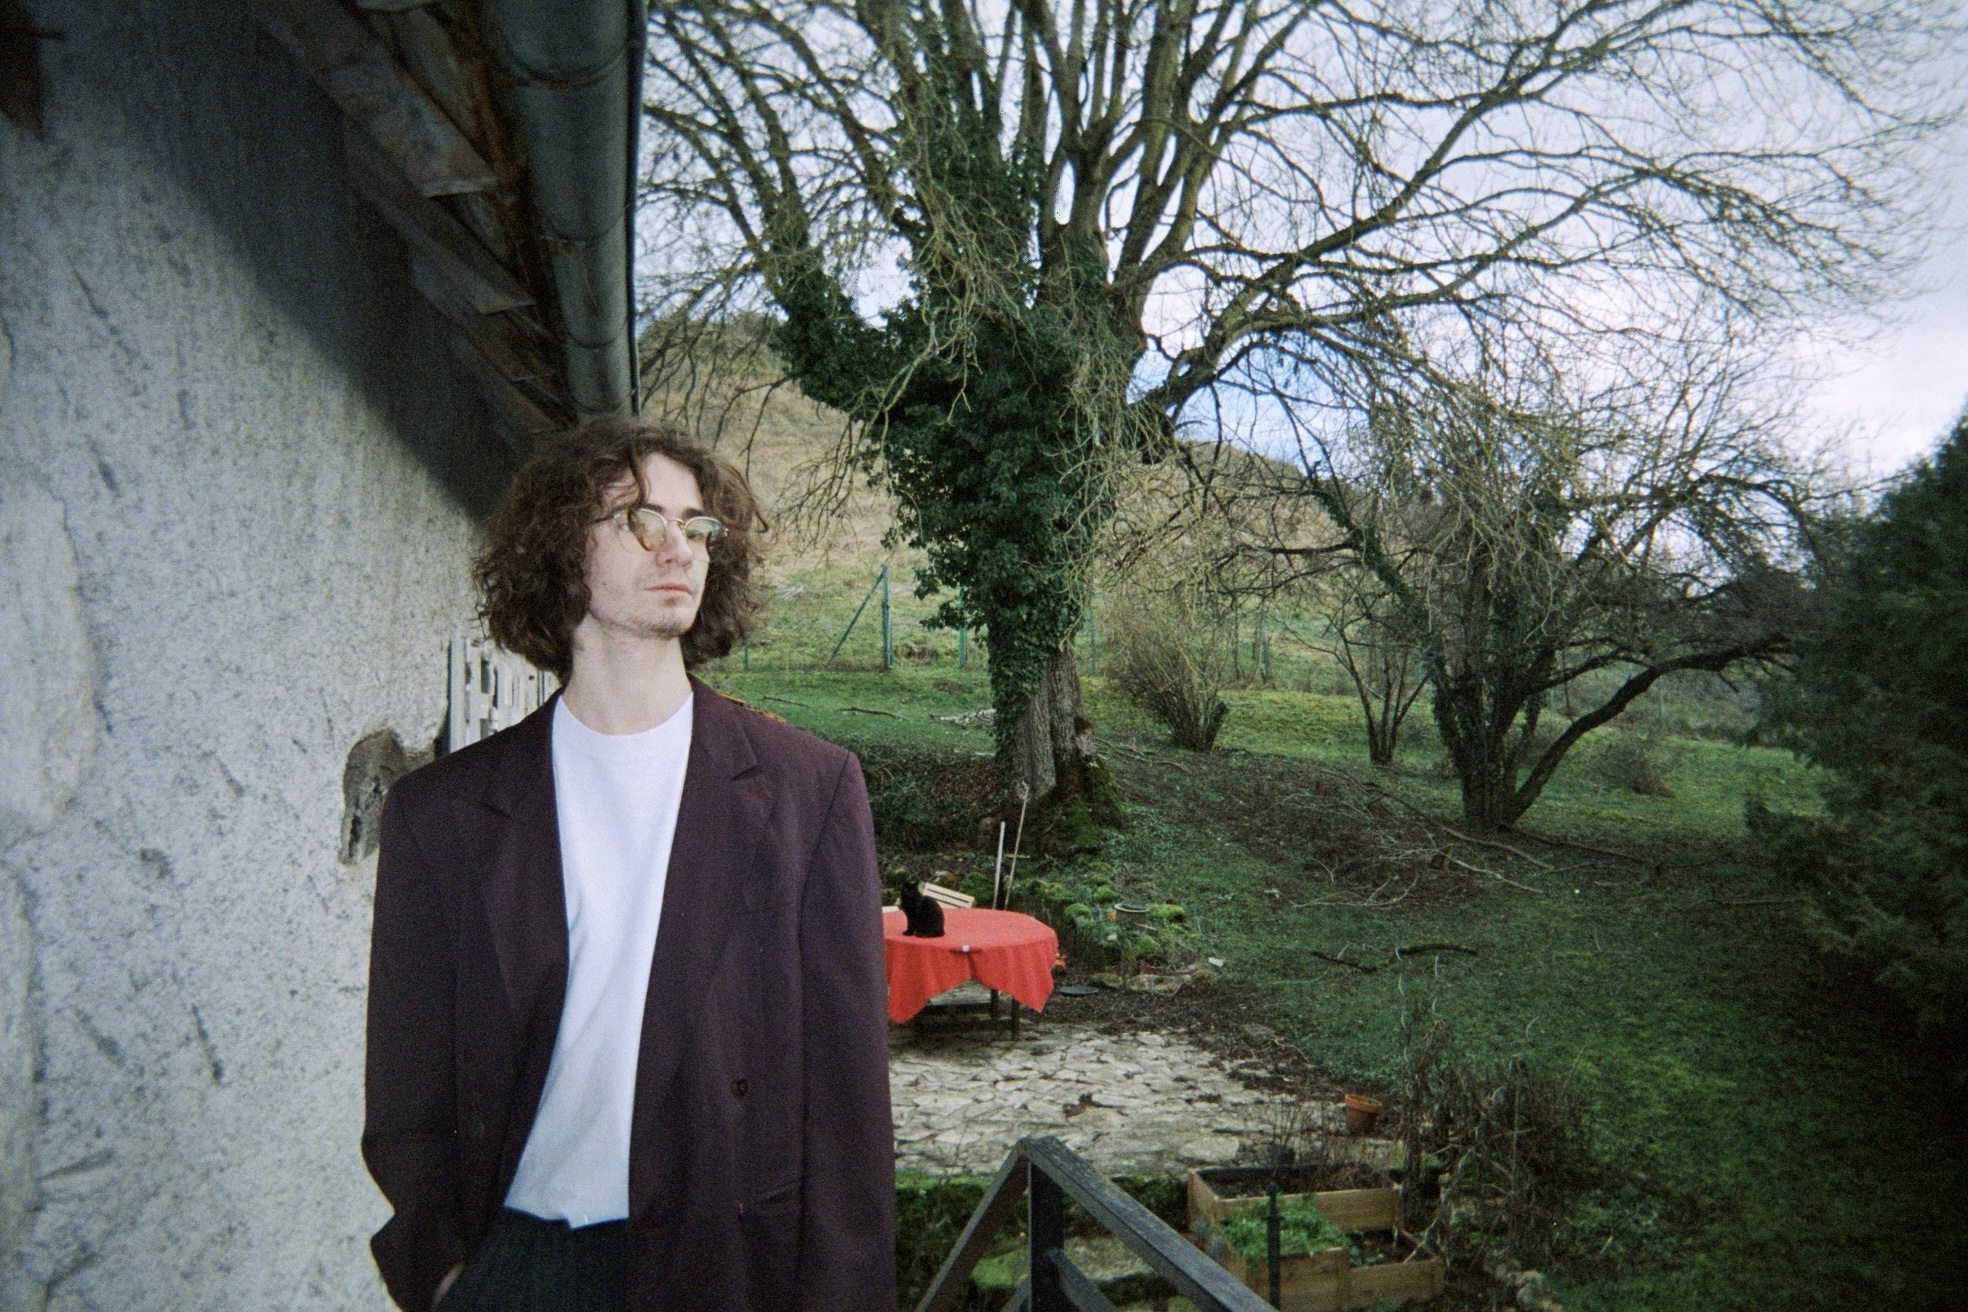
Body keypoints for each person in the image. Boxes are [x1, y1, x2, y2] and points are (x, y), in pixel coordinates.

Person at [361, 416, 895, 1312]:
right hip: (520, 1269)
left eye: (697, 527)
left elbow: (849, 1116)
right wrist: (450, 1278)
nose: (677, 547)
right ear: (561, 548)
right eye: (640, 521)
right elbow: (407, 1094)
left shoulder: (811, 793)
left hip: (726, 1269)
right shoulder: (441, 814)